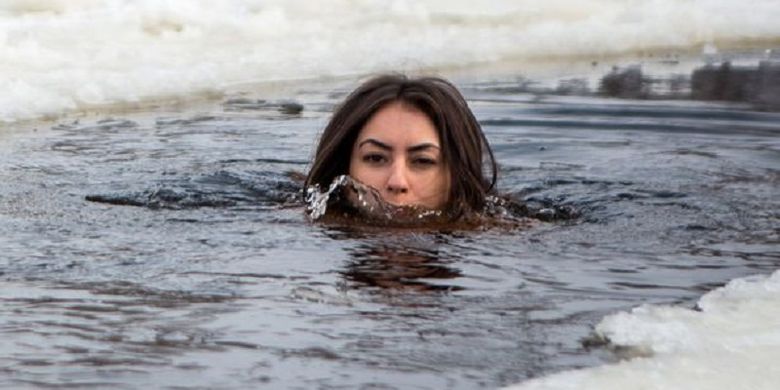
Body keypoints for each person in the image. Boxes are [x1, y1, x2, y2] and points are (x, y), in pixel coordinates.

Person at [304, 74, 497, 221]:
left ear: (457, 175)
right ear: (344, 166)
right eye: (375, 158)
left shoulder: (501, 232)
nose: (397, 183)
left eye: (422, 161)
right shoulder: (304, 221)